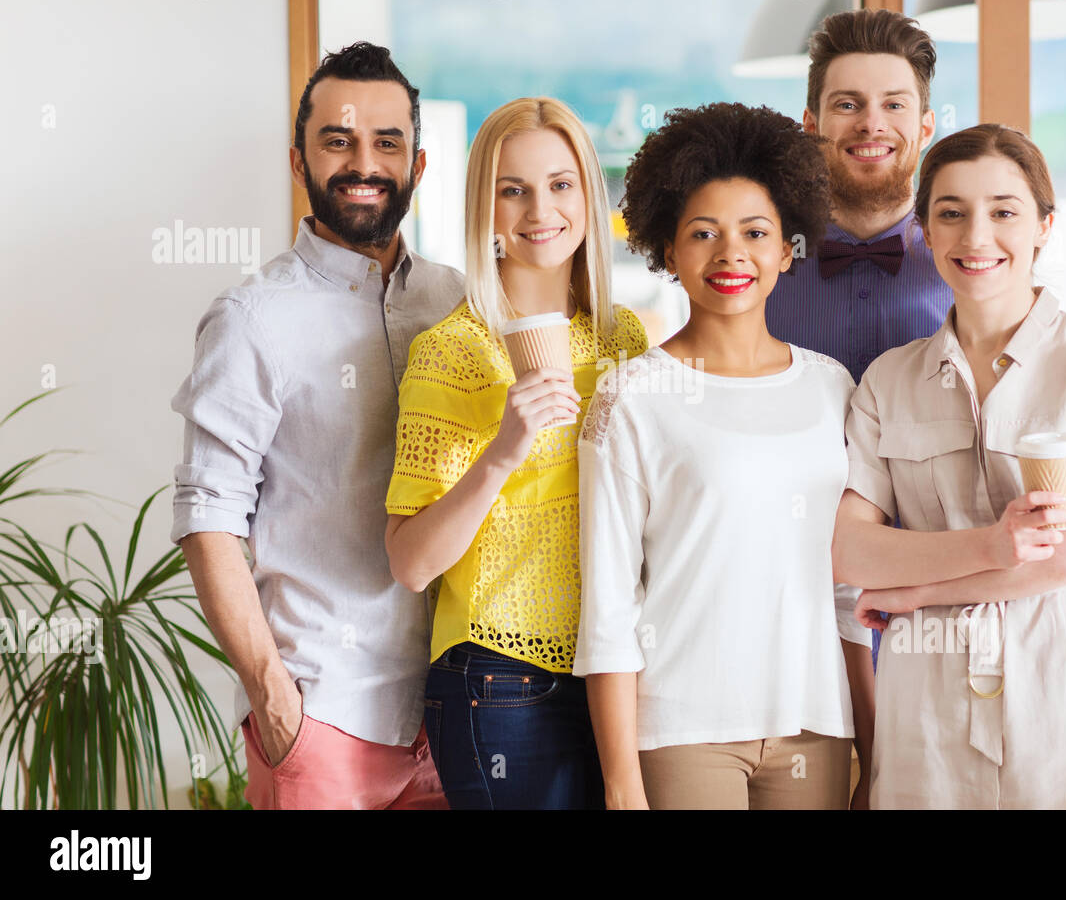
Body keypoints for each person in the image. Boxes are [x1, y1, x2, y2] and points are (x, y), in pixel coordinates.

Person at [171, 42, 463, 809]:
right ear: (299, 163)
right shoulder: (253, 319)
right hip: (325, 719)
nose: (363, 162)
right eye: (338, 140)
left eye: (386, 143)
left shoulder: (458, 302)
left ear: (419, 166)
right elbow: (208, 517)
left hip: (456, 718)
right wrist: (274, 699)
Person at [833, 123, 1066, 808]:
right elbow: (851, 548)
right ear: (924, 230)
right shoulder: (887, 381)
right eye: (951, 213)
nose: (976, 237)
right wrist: (988, 545)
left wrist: (919, 590)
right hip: (925, 690)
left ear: (1044, 225)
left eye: (1004, 211)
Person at [575, 102, 855, 810]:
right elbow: (608, 607)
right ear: (668, 251)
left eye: (755, 232)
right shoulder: (630, 395)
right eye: (703, 233)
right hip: (682, 731)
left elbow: (849, 591)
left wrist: (872, 748)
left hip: (815, 726)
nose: (732, 254)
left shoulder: (833, 389)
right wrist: (621, 786)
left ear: (787, 248)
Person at [384, 97, 648, 810]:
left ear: (590, 196)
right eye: (514, 189)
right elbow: (410, 563)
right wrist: (503, 450)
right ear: (486, 209)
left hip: (615, 675)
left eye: (561, 184)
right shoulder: (450, 353)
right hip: (501, 683)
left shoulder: (626, 341)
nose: (541, 209)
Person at [765, 7, 955, 808]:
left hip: (940, 611)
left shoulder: (972, 265)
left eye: (892, 103)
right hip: (786, 617)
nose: (870, 123)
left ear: (926, 122)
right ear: (811, 124)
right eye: (846, 104)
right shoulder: (757, 265)